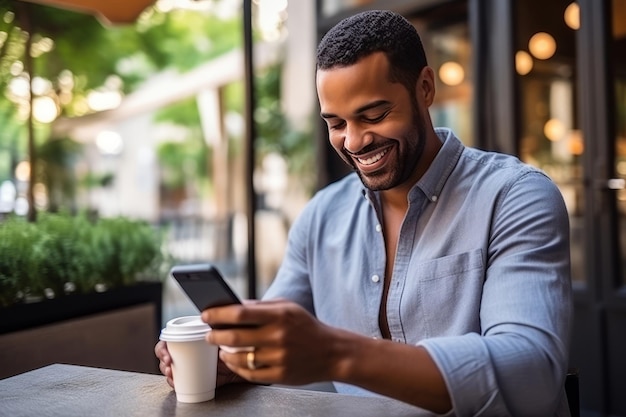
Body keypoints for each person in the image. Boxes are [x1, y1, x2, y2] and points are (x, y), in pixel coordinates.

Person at [156, 9, 572, 416]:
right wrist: (228, 361)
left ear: (425, 88)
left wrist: (336, 354)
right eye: (336, 123)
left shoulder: (515, 197)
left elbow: (531, 376)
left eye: (374, 115)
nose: (354, 141)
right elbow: (277, 344)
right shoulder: (321, 217)